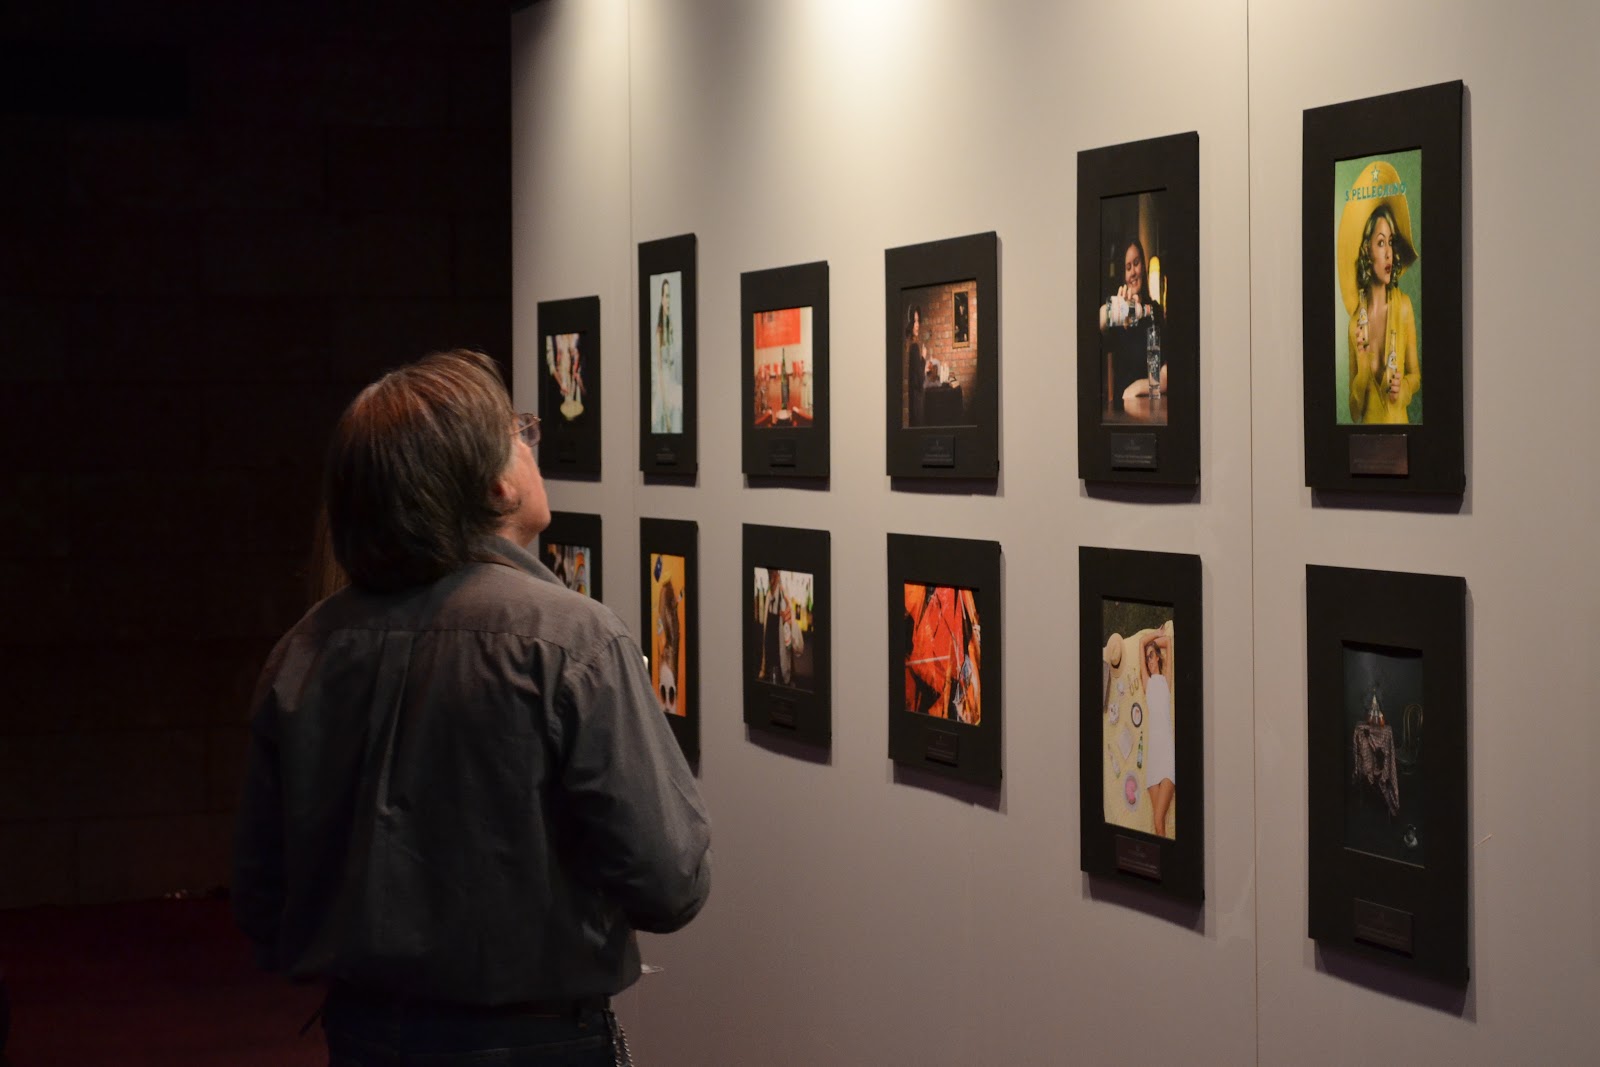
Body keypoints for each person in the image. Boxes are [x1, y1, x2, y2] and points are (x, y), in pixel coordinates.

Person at [233, 349, 710, 1066]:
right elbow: (670, 881)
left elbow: (262, 898)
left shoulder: (306, 646)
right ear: (495, 484)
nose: (533, 445)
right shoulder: (571, 639)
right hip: (534, 1042)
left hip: (363, 1036)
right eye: (521, 431)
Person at [1339, 160, 1420, 423]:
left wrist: (1403, 388)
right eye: (1381, 243)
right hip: (1367, 442)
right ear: (1367, 250)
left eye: (1391, 243)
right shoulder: (1355, 325)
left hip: (1402, 435)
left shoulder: (1404, 306)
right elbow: (1355, 413)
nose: (1389, 254)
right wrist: (1363, 369)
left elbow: (1415, 376)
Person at [1098, 236, 1167, 404]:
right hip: (1122, 408)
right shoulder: (1118, 311)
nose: (1133, 272)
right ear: (1123, 274)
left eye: (1136, 263)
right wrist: (1115, 309)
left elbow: (1163, 374)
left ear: (1143, 266)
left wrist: (1139, 387)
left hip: (1151, 403)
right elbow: (1099, 321)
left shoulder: (1154, 311)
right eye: (1128, 267)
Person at [1136, 623, 1175, 838]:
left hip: (1167, 757)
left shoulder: (1166, 681)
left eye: (1152, 657)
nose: (1150, 661)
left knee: (1159, 822)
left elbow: (1168, 642)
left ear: (1158, 658)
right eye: (1147, 658)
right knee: (1158, 825)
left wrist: (1157, 642)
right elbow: (1141, 644)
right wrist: (1154, 636)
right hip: (1153, 759)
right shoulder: (1147, 683)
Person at [904, 303, 925, 427]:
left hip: (912, 401)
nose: (917, 325)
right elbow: (920, 380)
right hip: (916, 401)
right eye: (914, 321)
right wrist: (923, 358)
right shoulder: (914, 347)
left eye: (918, 321)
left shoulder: (909, 345)